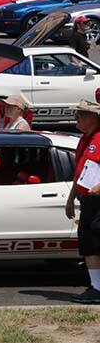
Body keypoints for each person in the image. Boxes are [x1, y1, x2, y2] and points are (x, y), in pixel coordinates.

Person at [66, 100, 100, 304]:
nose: (76, 118)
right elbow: (80, 172)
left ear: (94, 117)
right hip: (87, 200)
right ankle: (96, 287)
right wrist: (71, 198)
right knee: (88, 244)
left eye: (81, 114)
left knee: (97, 242)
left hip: (99, 200)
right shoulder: (84, 140)